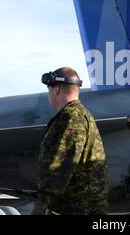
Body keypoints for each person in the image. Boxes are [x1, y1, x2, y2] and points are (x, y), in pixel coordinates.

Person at [33, 67, 109, 215]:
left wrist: (40, 206)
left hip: (76, 208)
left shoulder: (70, 118)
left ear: (56, 90)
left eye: (49, 89)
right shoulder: (82, 115)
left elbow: (59, 166)